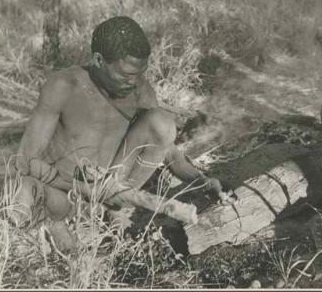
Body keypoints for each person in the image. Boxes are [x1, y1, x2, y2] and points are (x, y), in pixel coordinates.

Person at [11, 16, 223, 250]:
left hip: (112, 194)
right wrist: (87, 189)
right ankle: (62, 232)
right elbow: (25, 162)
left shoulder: (140, 91)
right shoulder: (64, 86)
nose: (133, 82)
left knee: (161, 123)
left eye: (139, 73)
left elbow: (170, 153)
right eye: (126, 75)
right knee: (24, 191)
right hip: (63, 192)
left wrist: (203, 182)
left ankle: (113, 213)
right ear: (99, 60)